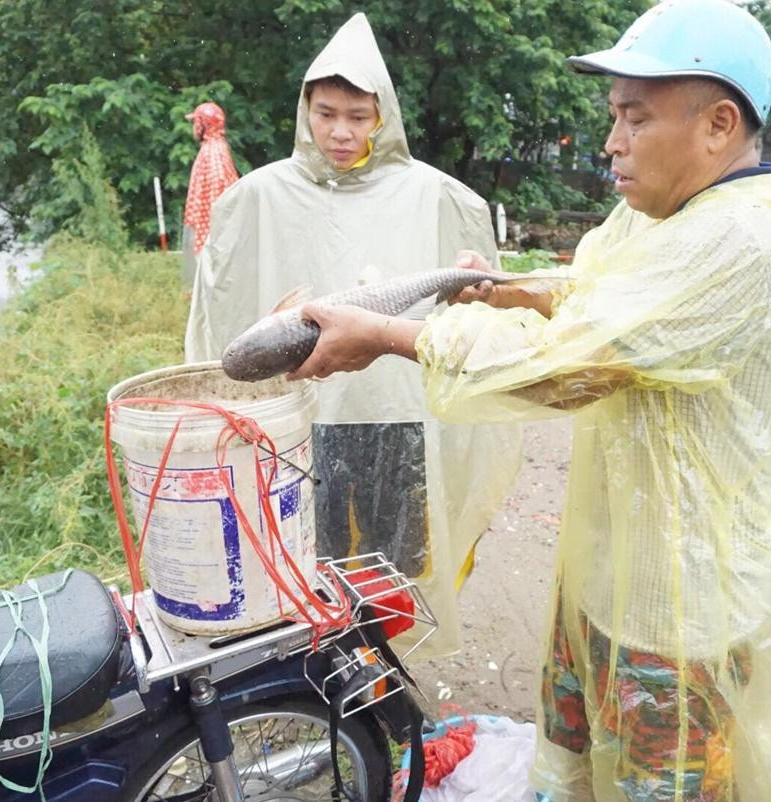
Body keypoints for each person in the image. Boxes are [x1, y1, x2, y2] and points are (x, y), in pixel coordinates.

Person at [286, 1, 771, 798]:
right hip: (607, 571)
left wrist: (381, 335)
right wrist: (513, 292)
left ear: (718, 125)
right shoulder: (661, 216)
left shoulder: (744, 239)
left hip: (678, 613)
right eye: (613, 115)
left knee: (664, 780)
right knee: (580, 764)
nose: (611, 141)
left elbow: (570, 363)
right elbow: (595, 297)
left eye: (634, 118)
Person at [184, 13, 520, 655]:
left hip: (398, 411)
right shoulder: (256, 197)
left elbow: (483, 301)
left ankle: (386, 685)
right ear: (305, 109)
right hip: (304, 423)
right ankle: (325, 682)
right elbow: (219, 309)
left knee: (394, 569)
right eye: (327, 112)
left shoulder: (436, 196)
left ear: (382, 116)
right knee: (309, 563)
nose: (341, 132)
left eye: (358, 116)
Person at [181, 101, 239, 287]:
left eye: (196, 122)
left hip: (212, 245)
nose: (193, 127)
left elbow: (218, 198)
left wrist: (211, 242)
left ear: (204, 124)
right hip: (210, 241)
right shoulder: (214, 148)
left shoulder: (214, 153)